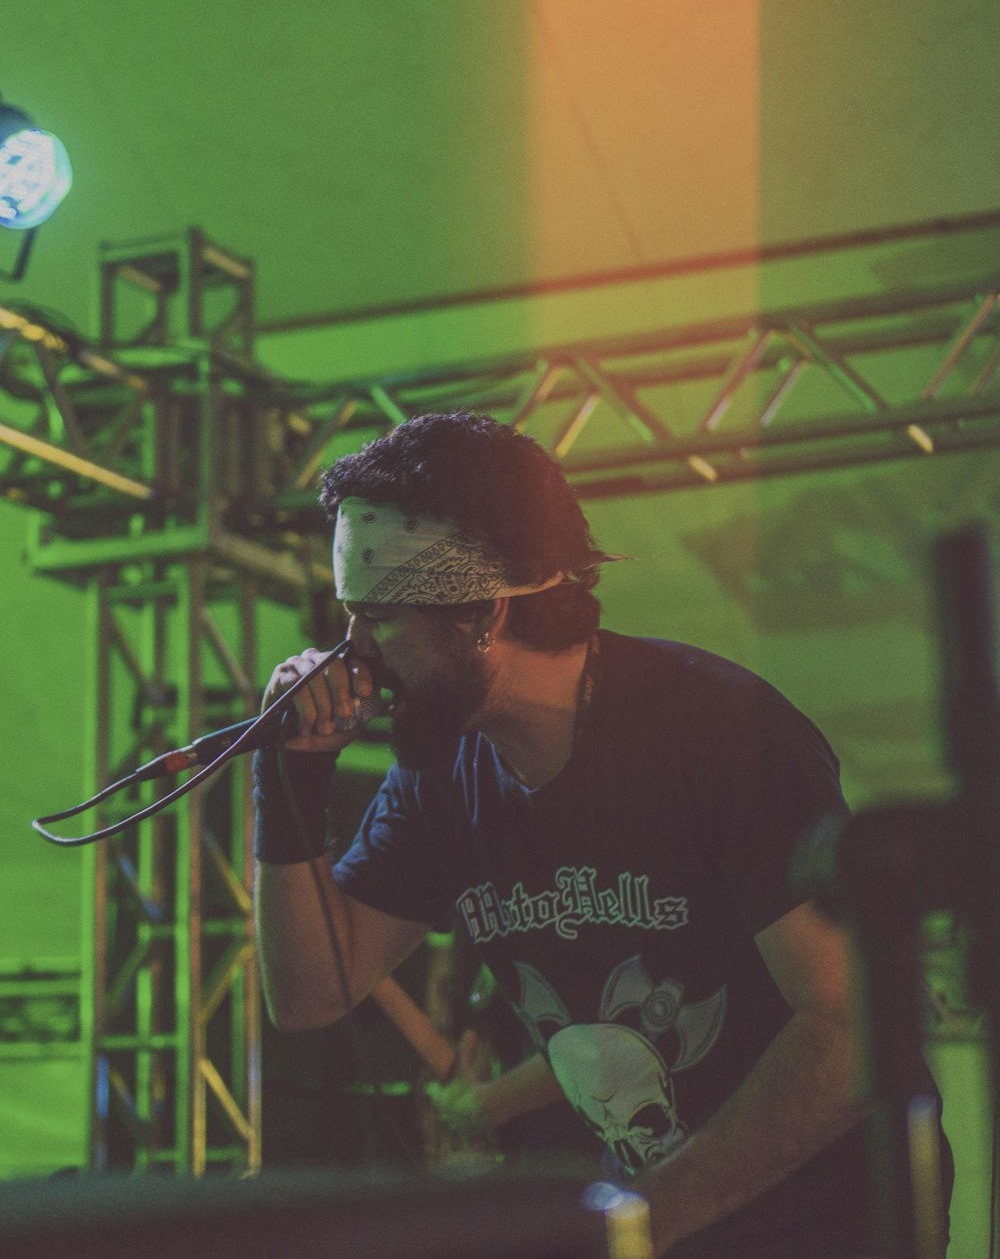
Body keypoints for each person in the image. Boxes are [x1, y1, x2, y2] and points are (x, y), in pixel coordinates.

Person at [253, 411, 947, 1257]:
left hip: (825, 1229)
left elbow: (850, 1032)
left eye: (382, 618)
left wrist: (641, 1224)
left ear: (480, 614)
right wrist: (287, 784)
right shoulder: (439, 778)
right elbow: (311, 992)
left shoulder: (718, 732)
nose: (351, 653)